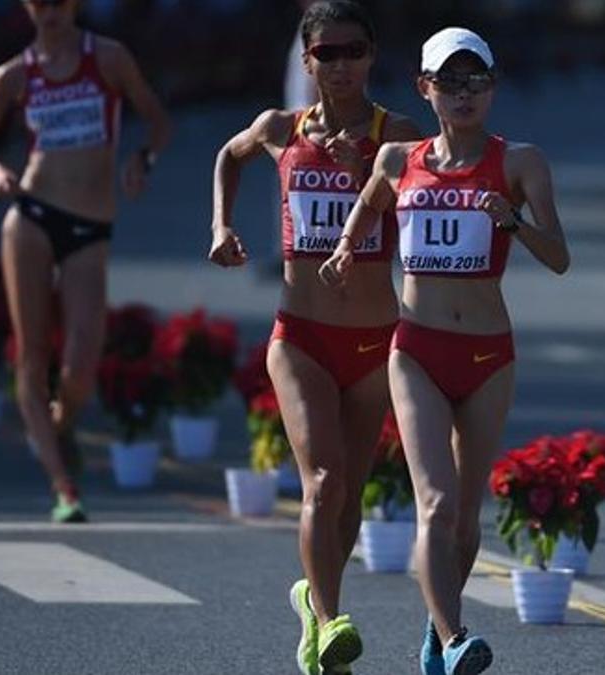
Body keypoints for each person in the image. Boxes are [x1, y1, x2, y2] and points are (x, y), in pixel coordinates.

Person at [320, 27, 569, 675]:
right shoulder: (399, 160)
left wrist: (511, 220)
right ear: (424, 88)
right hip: (417, 350)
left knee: (462, 516)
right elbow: (370, 204)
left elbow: (560, 258)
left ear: (493, 87)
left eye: (475, 80)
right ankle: (456, 634)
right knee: (432, 500)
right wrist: (347, 247)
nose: (463, 94)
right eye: (449, 81)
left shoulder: (520, 161)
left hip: (488, 355)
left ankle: (437, 632)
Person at [208, 2, 419, 673]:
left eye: (353, 51)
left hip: (373, 342)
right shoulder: (280, 128)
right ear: (306, 61)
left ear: (372, 56)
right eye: (326, 53)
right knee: (322, 482)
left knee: (348, 494)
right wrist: (221, 225)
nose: (340, 65)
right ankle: (331, 623)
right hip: (300, 336)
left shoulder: (398, 136)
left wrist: (369, 174)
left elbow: (431, 203)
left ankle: (313, 600)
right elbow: (227, 155)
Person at [0, 0, 171, 523]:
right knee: (32, 355)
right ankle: (64, 485)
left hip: (89, 226)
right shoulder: (14, 75)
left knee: (80, 362)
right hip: (31, 215)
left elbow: (156, 121)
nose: (49, 11)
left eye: (59, 1)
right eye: (39, 2)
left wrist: (141, 160)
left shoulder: (107, 58)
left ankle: (60, 424)